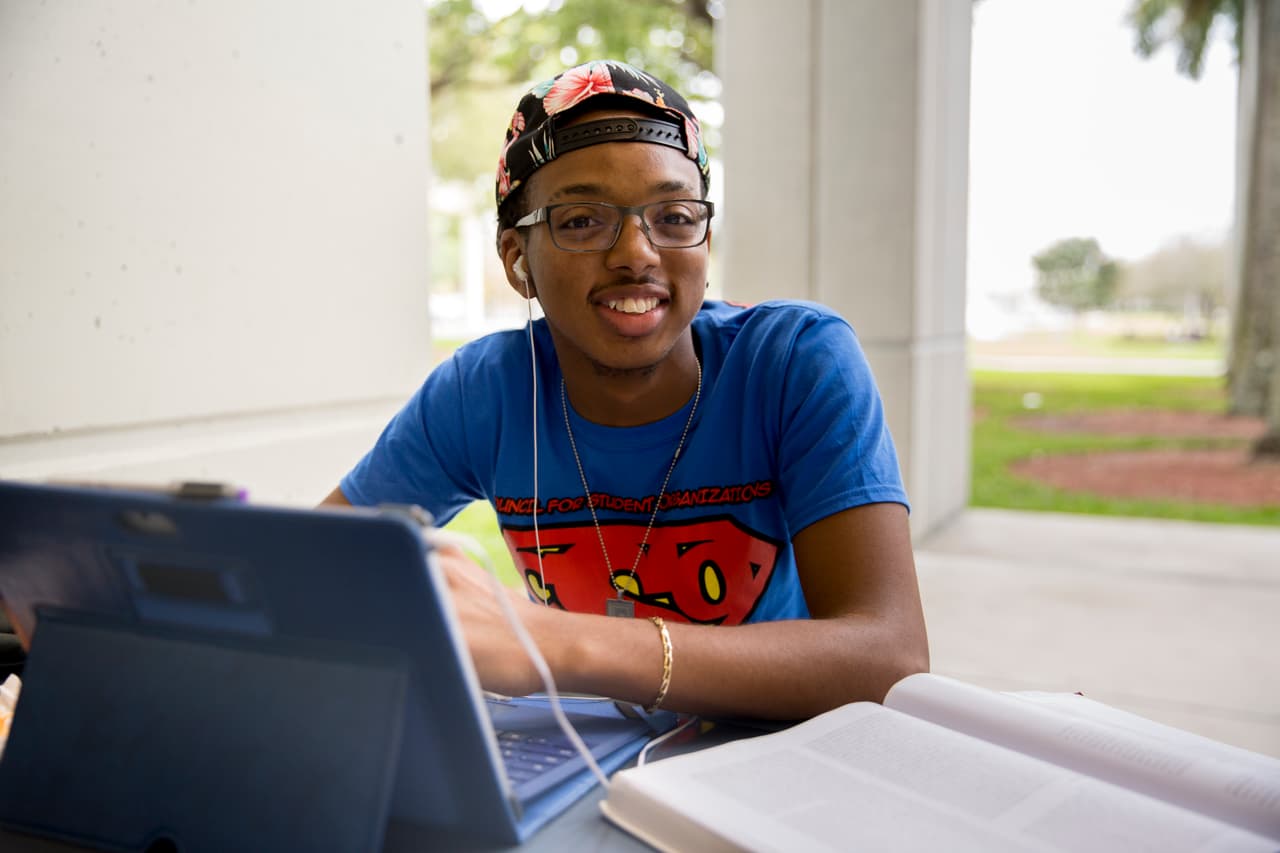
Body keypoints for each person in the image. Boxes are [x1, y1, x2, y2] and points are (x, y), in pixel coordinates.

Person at [322, 60, 927, 721]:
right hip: (591, 757)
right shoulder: (483, 392)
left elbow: (888, 657)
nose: (636, 252)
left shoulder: (794, 361)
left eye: (673, 215)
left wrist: (560, 645)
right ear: (517, 259)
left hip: (769, 755)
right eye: (582, 220)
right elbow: (308, 570)